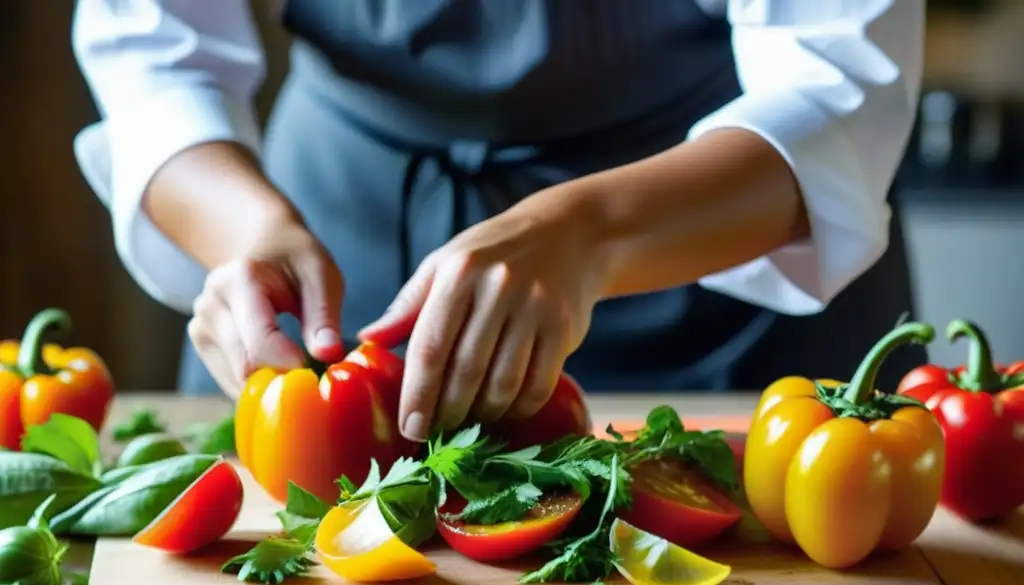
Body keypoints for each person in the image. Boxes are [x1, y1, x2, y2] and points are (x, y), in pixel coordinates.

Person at [71, 0, 926, 444]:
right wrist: (243, 233)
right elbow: (153, 50)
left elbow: (838, 88)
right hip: (340, 238)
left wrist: (589, 232)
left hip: (720, 268)